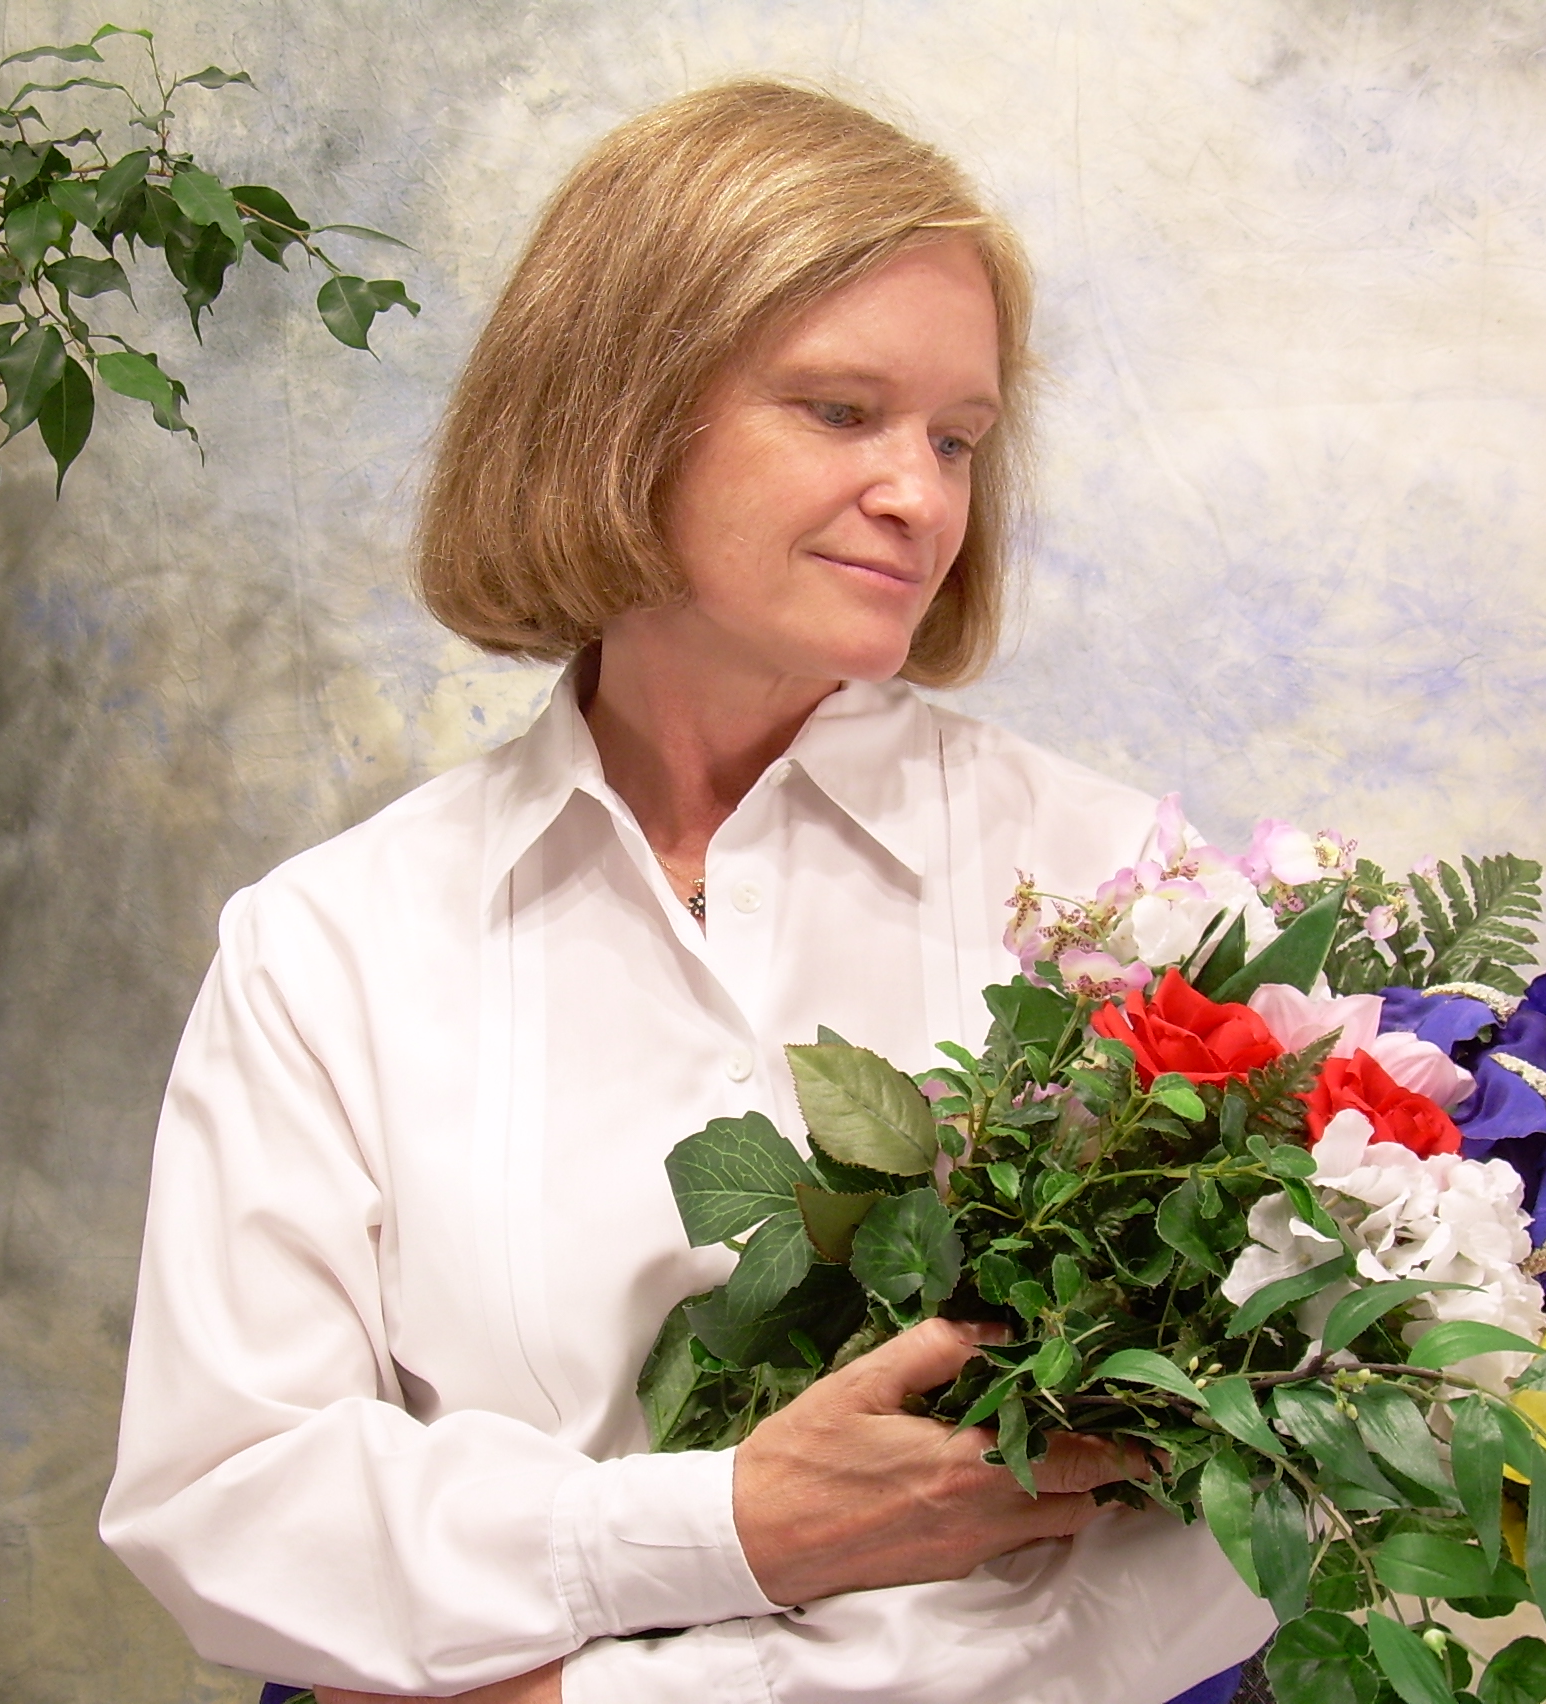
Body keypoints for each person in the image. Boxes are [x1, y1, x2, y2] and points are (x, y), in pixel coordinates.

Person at [100, 80, 1275, 1704]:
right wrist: (730, 1529)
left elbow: (1208, 1535)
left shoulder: (1120, 896)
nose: (923, 496)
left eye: (956, 438)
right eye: (843, 411)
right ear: (620, 408)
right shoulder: (330, 945)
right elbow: (233, 1508)